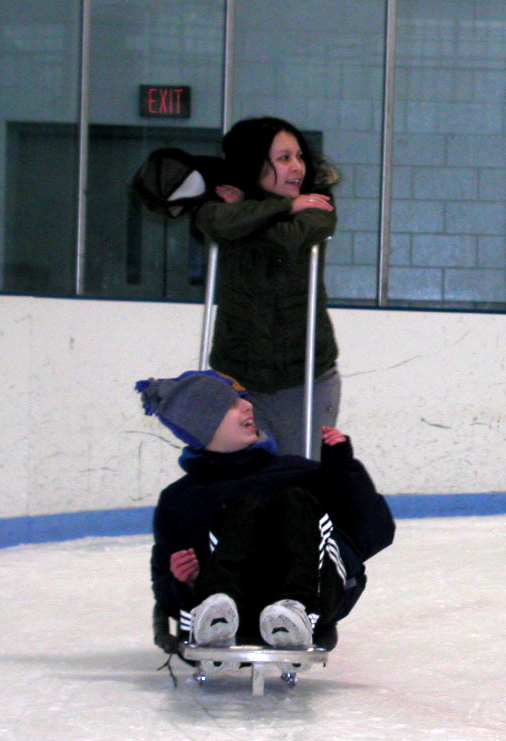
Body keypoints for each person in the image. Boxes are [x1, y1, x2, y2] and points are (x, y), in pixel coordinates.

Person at [137, 370, 395, 656]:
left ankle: (295, 608)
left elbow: (375, 532)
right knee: (244, 511)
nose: (248, 406)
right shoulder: (181, 499)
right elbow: (165, 592)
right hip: (234, 607)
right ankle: (218, 608)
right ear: (205, 425)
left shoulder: (296, 472)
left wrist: (344, 471)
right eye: (232, 404)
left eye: (243, 400)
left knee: (296, 502)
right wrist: (184, 580)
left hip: (314, 595)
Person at [196, 116, 341, 458]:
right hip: (237, 373)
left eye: (299, 156)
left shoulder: (318, 203)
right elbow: (211, 220)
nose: (297, 167)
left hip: (305, 373)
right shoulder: (225, 204)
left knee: (299, 476)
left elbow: (285, 239)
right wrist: (284, 205)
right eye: (283, 158)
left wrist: (245, 215)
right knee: (242, 479)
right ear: (254, 164)